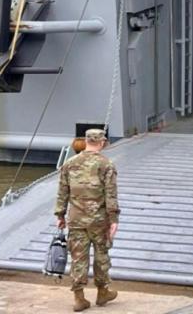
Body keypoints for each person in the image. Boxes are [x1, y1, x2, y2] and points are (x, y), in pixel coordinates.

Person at [54, 129, 120, 312]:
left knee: (78, 258)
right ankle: (102, 292)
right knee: (101, 256)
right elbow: (111, 195)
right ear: (102, 142)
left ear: (86, 141)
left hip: (76, 220)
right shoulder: (106, 164)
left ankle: (79, 298)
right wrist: (114, 219)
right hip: (99, 221)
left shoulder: (69, 163)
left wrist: (60, 215)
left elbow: (62, 192)